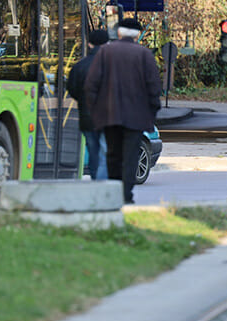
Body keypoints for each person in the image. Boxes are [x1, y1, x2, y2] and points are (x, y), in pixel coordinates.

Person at [85, 18, 161, 204]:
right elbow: (154, 88)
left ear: (119, 32)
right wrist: (151, 113)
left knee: (113, 154)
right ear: (137, 34)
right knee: (130, 156)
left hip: (109, 115)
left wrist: (95, 111)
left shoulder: (105, 53)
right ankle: (126, 194)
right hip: (136, 118)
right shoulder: (144, 55)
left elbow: (91, 85)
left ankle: (114, 190)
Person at [67, 29, 109, 180]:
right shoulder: (112, 66)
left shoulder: (79, 66)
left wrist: (83, 101)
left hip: (87, 117)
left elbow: (72, 89)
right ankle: (102, 185)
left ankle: (95, 179)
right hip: (108, 117)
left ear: (89, 44)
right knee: (105, 152)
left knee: (93, 151)